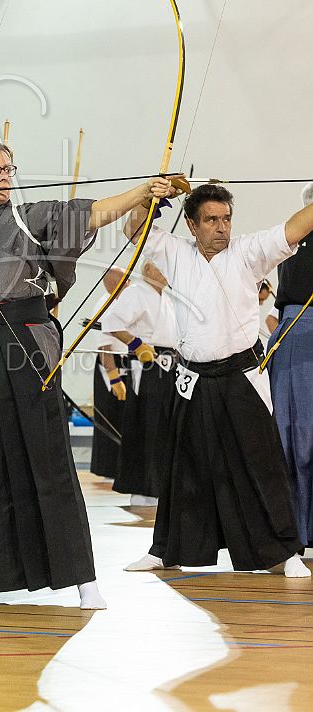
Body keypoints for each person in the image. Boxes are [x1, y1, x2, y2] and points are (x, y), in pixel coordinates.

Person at [0, 141, 175, 609]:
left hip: (23, 342)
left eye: (8, 168)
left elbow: (95, 213)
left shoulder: (33, 216)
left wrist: (143, 191)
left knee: (44, 458)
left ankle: (83, 579)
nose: (4, 175)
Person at [123, 182, 310, 577]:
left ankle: (283, 552)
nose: (221, 227)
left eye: (226, 219)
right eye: (211, 220)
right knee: (182, 465)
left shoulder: (248, 252)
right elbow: (133, 229)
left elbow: (295, 227)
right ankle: (166, 549)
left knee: (261, 463)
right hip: (192, 376)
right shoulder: (176, 253)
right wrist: (151, 194)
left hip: (241, 376)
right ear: (192, 225)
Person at [101, 261, 178, 505]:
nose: (167, 272)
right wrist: (137, 345)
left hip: (168, 364)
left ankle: (158, 486)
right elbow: (112, 323)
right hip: (146, 364)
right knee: (146, 424)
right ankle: (142, 489)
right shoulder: (135, 292)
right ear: (147, 269)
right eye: (161, 267)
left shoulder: (166, 298)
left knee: (164, 426)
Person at [267, 181, 313, 548]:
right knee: (300, 435)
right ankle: (295, 528)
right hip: (300, 335)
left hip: (297, 335)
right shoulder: (293, 243)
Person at [86, 268, 129, 481]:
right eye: (125, 280)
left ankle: (124, 467)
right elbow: (103, 346)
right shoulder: (104, 305)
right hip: (110, 363)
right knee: (111, 415)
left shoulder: (126, 303)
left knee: (125, 416)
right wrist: (113, 376)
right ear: (113, 283)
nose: (129, 283)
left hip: (128, 361)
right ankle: (109, 469)